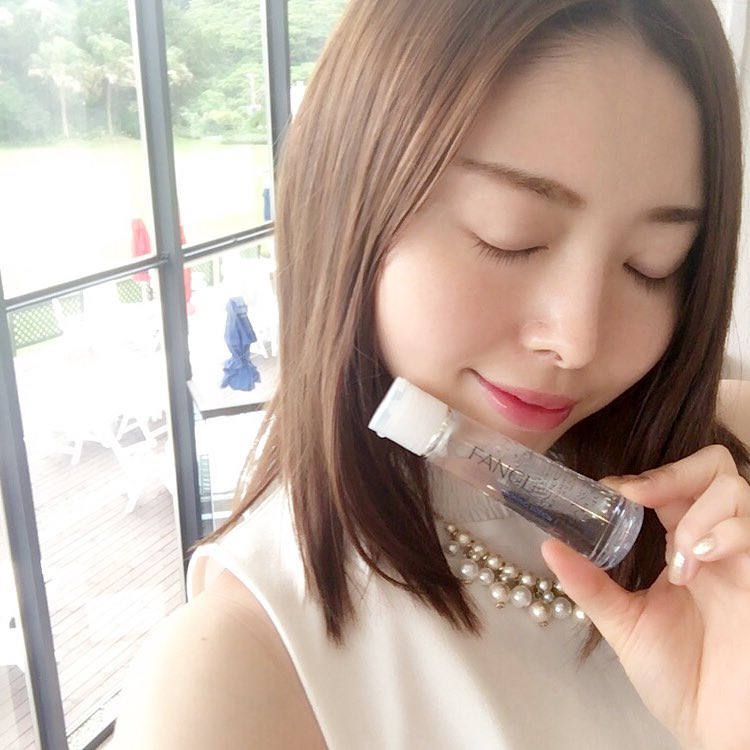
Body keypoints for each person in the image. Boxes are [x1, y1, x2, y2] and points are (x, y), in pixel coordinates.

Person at [113, 1, 750, 747]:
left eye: (652, 266)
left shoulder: (721, 478)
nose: (578, 340)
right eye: (509, 236)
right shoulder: (228, 681)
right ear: (349, 201)